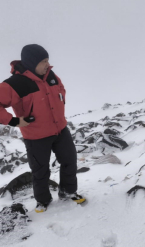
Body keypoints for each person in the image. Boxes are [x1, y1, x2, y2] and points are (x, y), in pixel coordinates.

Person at [0, 44, 85, 213]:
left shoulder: (51, 76)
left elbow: (61, 90)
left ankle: (68, 192)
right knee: (40, 171)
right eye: (43, 61)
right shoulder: (14, 84)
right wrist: (13, 121)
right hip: (36, 135)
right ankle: (43, 201)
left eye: (48, 60)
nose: (48, 64)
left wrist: (60, 106)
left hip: (60, 129)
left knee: (70, 161)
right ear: (32, 62)